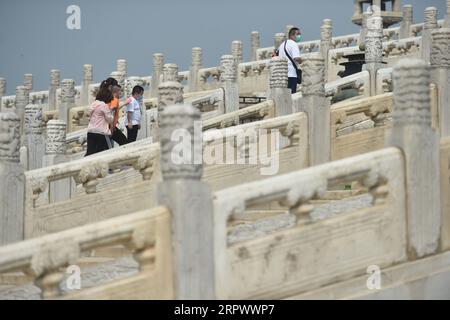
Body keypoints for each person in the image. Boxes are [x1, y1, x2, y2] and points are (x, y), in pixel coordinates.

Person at [85, 88, 114, 156]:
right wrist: (112, 112)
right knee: (106, 151)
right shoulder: (104, 105)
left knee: (90, 152)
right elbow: (109, 119)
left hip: (91, 131)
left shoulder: (93, 104)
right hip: (101, 132)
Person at [278, 27, 303, 93]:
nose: (299, 36)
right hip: (291, 74)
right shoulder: (293, 44)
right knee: (291, 95)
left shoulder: (282, 45)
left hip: (283, 75)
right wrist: (302, 60)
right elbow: (296, 58)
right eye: (298, 34)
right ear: (292, 35)